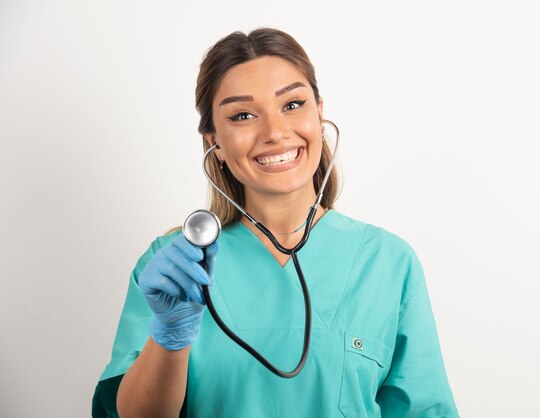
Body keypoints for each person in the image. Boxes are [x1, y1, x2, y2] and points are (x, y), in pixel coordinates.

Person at [92, 28, 459, 418]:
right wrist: (170, 338)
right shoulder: (175, 265)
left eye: (292, 104)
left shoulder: (388, 263)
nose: (274, 133)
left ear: (320, 112)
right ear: (214, 141)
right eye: (243, 115)